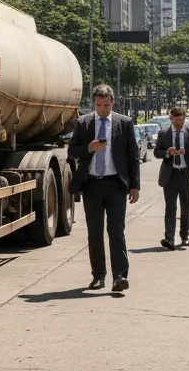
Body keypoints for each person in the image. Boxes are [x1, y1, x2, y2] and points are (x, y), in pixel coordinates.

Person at [69, 84, 141, 292]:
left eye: (105, 105)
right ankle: (98, 275)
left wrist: (134, 185)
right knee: (95, 232)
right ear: (94, 103)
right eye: (98, 105)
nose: (102, 109)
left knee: (116, 230)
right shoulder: (83, 123)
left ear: (112, 102)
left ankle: (119, 276)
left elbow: (132, 156)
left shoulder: (124, 123)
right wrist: (89, 148)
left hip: (116, 184)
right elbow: (72, 151)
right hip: (92, 184)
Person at [154, 106, 189, 249]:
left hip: (185, 175)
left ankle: (184, 236)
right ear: (171, 118)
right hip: (170, 175)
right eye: (177, 120)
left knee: (185, 207)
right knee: (170, 208)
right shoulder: (164, 133)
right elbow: (157, 152)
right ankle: (169, 238)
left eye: (182, 120)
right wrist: (168, 153)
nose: (179, 123)